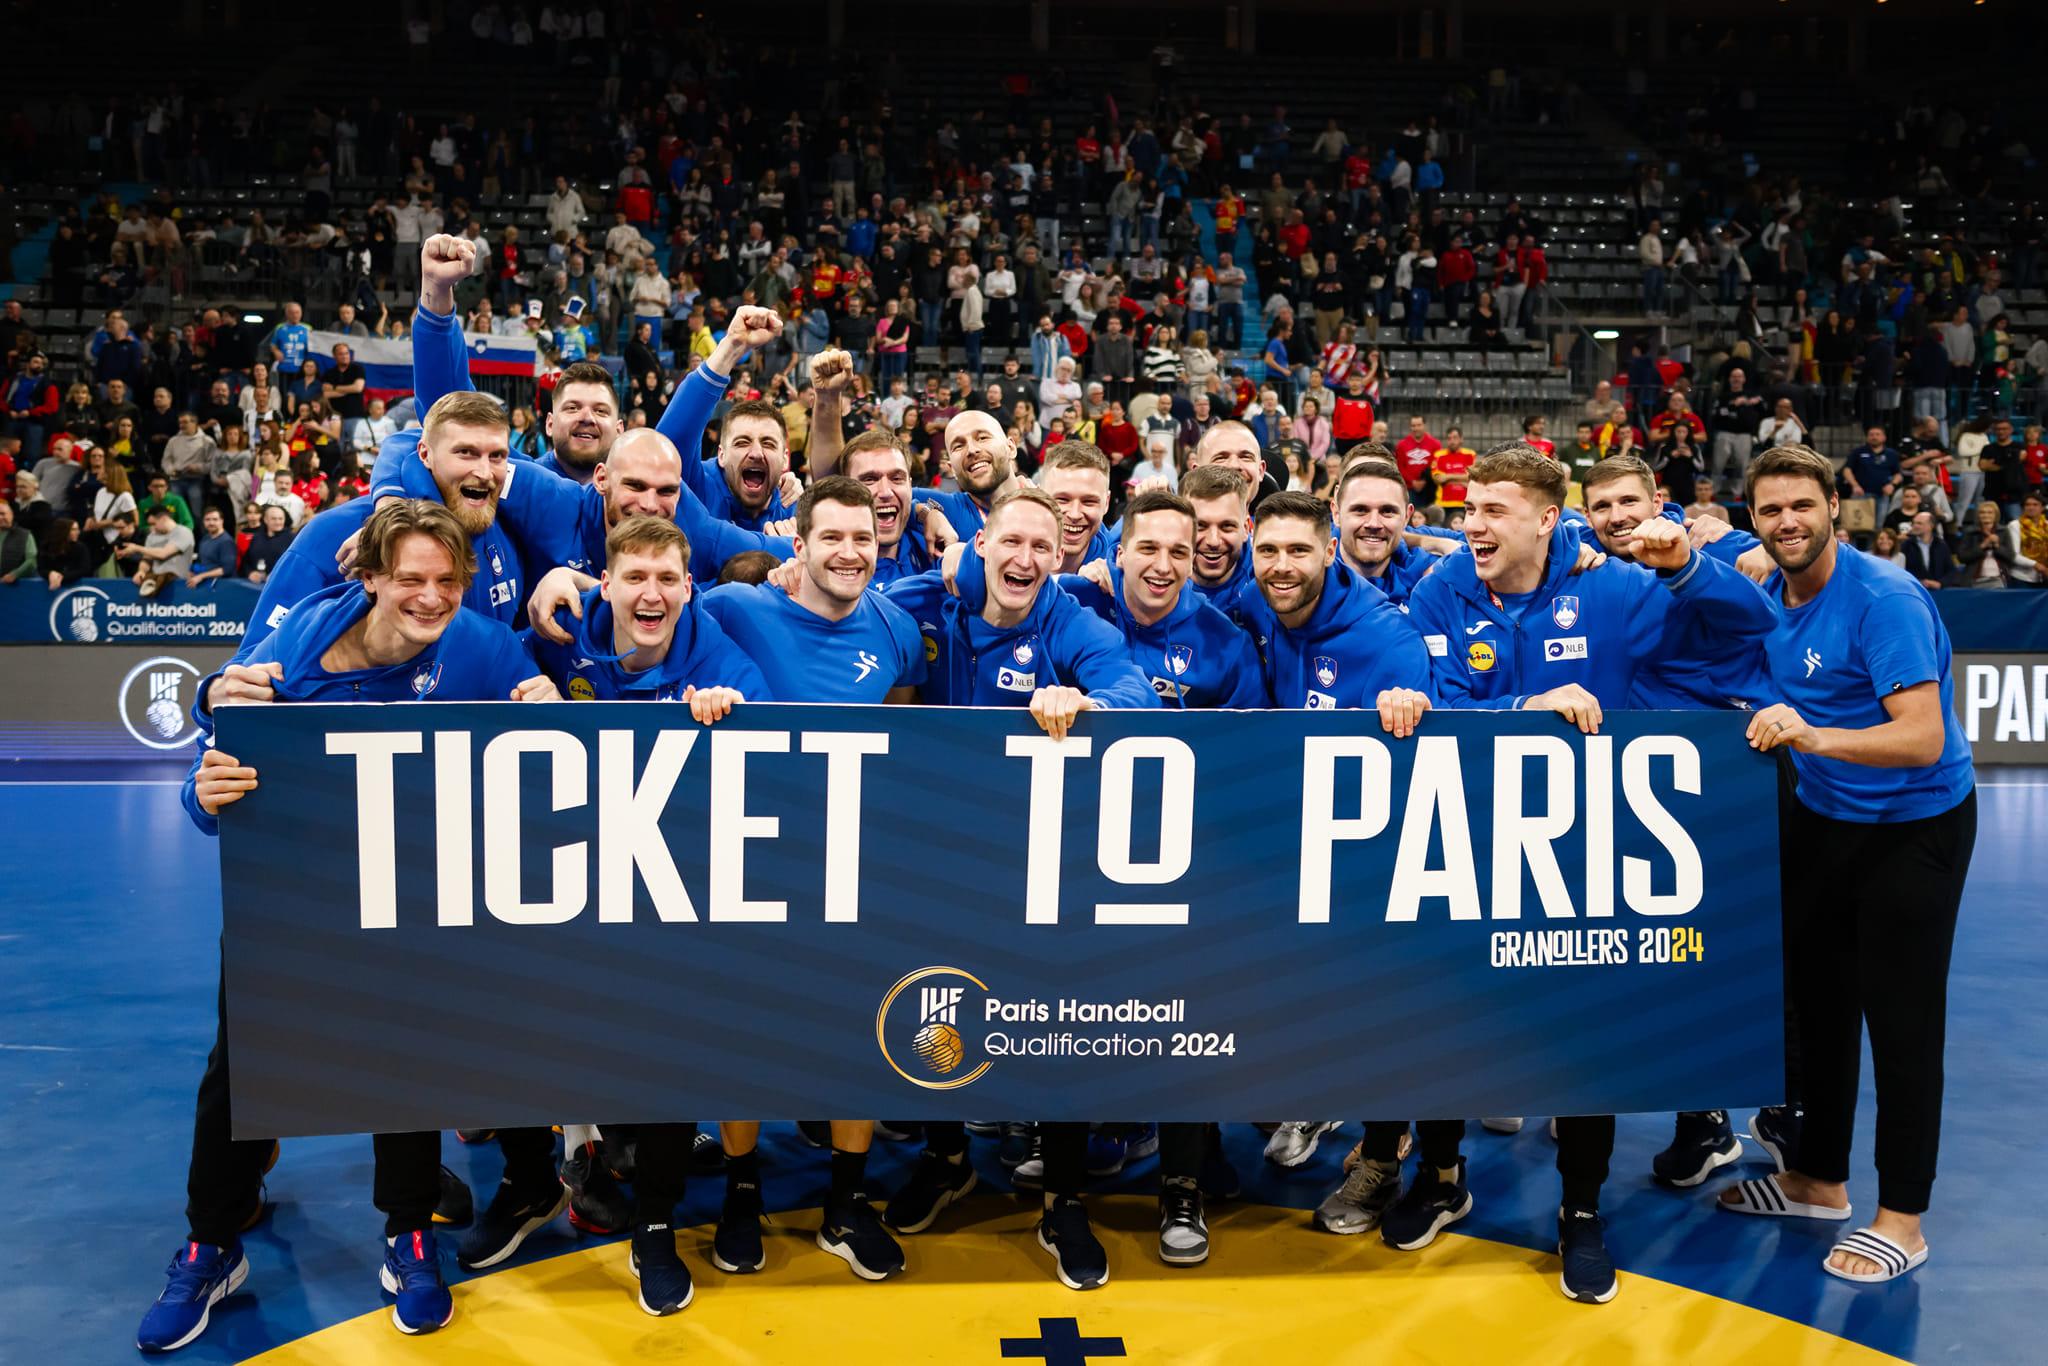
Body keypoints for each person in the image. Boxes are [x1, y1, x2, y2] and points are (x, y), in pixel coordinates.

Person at [137, 501, 561, 1353]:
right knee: (242, 1068)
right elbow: (212, 764)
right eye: (410, 579)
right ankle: (211, 1245)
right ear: (369, 579)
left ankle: (408, 1236)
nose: (431, 598)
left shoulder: (478, 645)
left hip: (405, 896)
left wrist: (547, 702)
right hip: (289, 894)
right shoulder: (293, 649)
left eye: (447, 581)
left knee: (399, 1055)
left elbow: (546, 741)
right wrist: (200, 790)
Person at [1386, 446, 1779, 1304]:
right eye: (1466, 510)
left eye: (1491, 511)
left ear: (1544, 518)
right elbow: (1434, 700)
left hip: (1581, 846)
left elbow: (1750, 624)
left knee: (1582, 1033)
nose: (1472, 525)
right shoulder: (1441, 589)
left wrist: (1685, 567)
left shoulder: (1615, 587)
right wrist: (1521, 711)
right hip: (1470, 832)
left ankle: (1580, 1209)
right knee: (1449, 1012)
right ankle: (1443, 1174)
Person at [878, 484, 1158, 1292]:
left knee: (1054, 1012)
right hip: (932, 860)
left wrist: (1088, 700)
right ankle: (946, 1158)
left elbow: (1129, 690)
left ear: (1061, 557)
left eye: (1045, 546)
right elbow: (834, 610)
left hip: (1039, 865)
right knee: (932, 1004)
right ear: (980, 545)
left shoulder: (1069, 619)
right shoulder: (924, 602)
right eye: (1013, 542)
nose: (1028, 558)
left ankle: (1063, 1198)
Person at [1719, 443, 1976, 1288]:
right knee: (1818, 1008)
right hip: (1826, 815)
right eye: (1770, 510)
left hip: (1915, 825)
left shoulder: (1883, 599)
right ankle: (1817, 1180)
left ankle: (1903, 1218)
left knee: (1902, 1022)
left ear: (1836, 505)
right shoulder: (1767, 585)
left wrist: (1811, 735)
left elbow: (1922, 737)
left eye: (1801, 505)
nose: (1787, 522)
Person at [696, 477, 928, 1283]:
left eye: (862, 539)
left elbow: (901, 720)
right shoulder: (733, 610)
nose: (850, 553)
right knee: (739, 1035)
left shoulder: (898, 629)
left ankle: (844, 1202)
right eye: (831, 538)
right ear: (798, 545)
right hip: (749, 861)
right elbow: (640, 615)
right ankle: (741, 1188)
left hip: (854, 868)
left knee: (856, 1034)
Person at [1251, 489, 1435, 709]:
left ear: (1330, 553)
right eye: (1267, 550)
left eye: (1299, 550)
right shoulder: (1254, 600)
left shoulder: (1392, 640)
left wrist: (1406, 707)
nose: (1281, 567)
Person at [121, 500, 195, 597]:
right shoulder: (152, 536)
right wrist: (141, 571)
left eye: (153, 524)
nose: (152, 528)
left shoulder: (183, 532)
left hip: (179, 585)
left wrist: (136, 548)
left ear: (164, 519)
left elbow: (163, 554)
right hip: (155, 584)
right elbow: (147, 558)